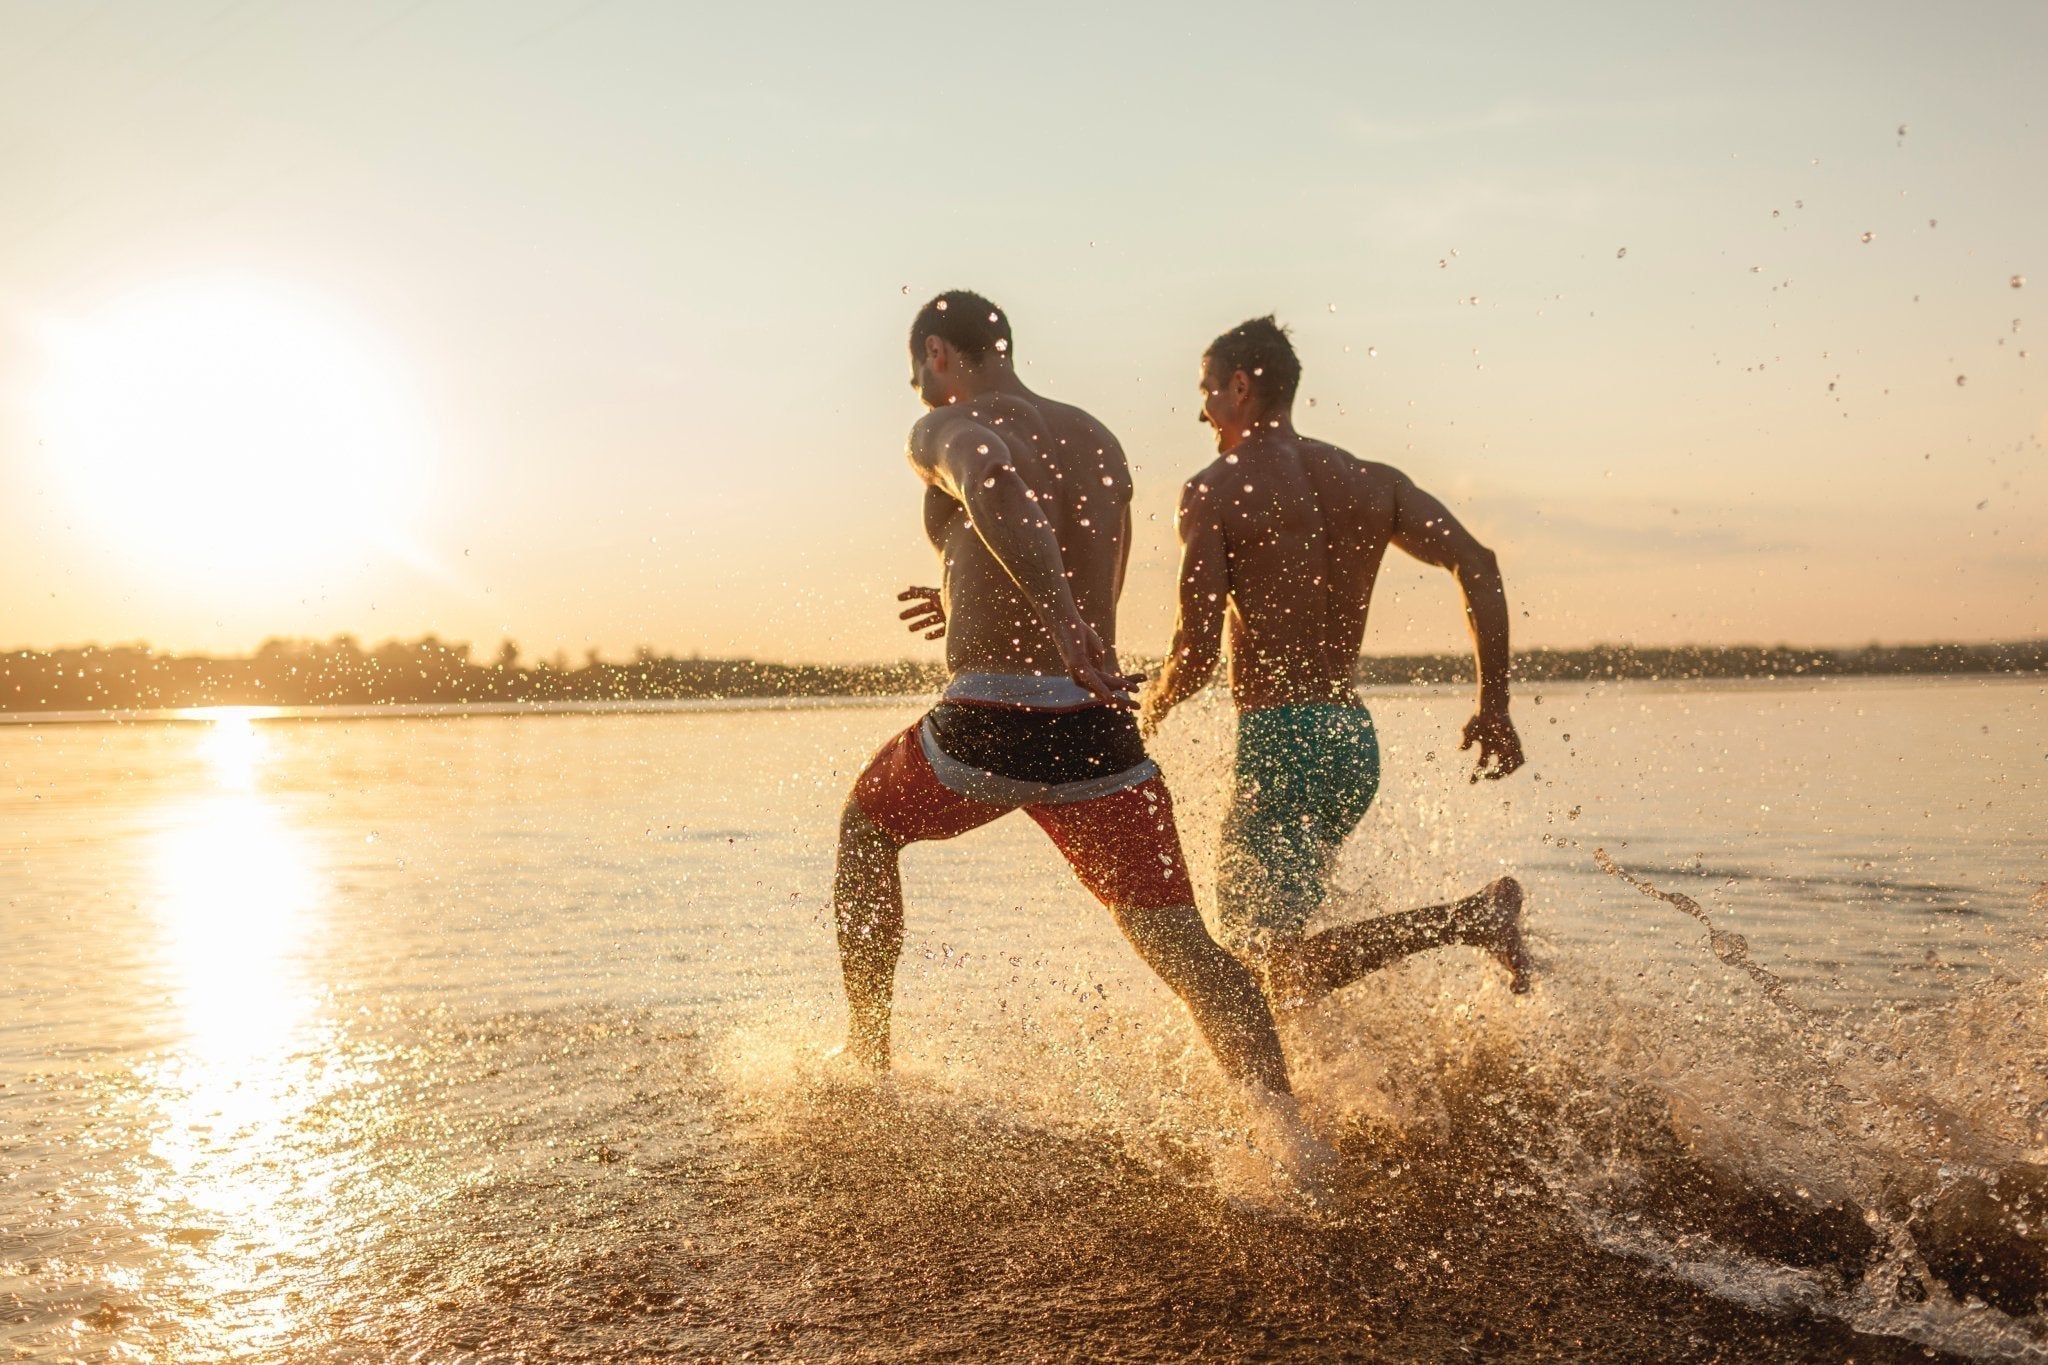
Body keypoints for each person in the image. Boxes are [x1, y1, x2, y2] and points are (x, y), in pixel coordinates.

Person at [833, 291, 1304, 1114]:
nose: (919, 391)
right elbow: (1091, 569)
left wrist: (1055, 619)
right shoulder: (1096, 438)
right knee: (1192, 954)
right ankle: (1292, 1135)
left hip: (989, 722)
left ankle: (866, 1059)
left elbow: (992, 479)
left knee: (865, 829)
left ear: (938, 353)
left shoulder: (944, 426)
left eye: (918, 373)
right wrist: (976, 599)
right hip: (1096, 729)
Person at [1139, 316, 1531, 1011]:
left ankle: (1469, 919)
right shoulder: (1370, 481)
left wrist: (1153, 703)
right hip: (1351, 741)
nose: (1202, 411)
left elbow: (1194, 654)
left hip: (1282, 743)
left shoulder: (1215, 490)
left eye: (1207, 391)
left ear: (1239, 387)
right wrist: (1492, 704)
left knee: (1261, 971)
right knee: (1284, 970)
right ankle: (1349, 1072)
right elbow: (1479, 563)